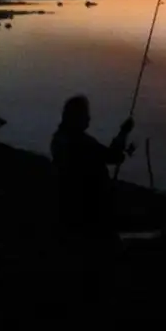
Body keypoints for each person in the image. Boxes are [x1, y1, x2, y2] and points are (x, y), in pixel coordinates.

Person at [50, 95, 135, 241]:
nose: (89, 118)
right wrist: (124, 132)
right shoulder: (83, 143)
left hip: (68, 203)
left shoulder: (58, 139)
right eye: (85, 115)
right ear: (77, 117)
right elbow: (113, 157)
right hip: (89, 207)